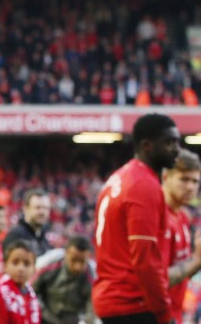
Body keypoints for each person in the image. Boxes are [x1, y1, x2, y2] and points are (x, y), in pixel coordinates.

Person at [93, 113, 180, 324]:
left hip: (112, 300)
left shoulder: (119, 178)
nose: (177, 149)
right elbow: (145, 259)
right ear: (147, 146)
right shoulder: (143, 185)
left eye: (177, 142)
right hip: (133, 305)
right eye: (169, 143)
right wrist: (163, 312)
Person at [162, 149, 201, 324]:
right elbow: (156, 279)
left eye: (195, 181)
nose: (191, 187)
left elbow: (182, 269)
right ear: (165, 177)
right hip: (153, 315)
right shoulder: (156, 218)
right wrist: (197, 260)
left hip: (174, 313)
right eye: (184, 179)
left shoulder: (184, 217)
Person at [32, 235, 94, 324]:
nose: (77, 267)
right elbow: (32, 291)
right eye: (74, 260)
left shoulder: (91, 277)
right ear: (66, 253)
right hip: (45, 317)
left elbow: (91, 311)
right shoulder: (48, 264)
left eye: (82, 261)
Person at [0, 239, 40, 324]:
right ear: (5, 266)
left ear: (34, 269)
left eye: (27, 264)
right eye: (15, 263)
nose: (21, 269)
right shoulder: (0, 293)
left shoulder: (31, 294)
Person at [3, 189, 52, 258]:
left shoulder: (43, 238)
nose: (42, 212)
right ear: (25, 208)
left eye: (45, 208)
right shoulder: (15, 236)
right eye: (37, 207)